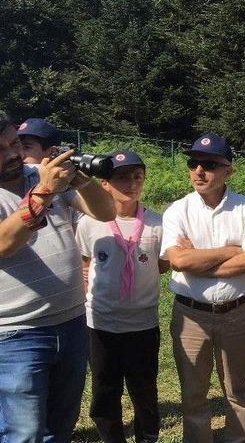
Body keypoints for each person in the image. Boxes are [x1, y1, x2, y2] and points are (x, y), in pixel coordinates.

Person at [0, 111, 116, 441]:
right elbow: (5, 243)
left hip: (71, 323)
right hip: (17, 333)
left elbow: (106, 212)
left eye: (15, 143)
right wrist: (45, 191)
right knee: (24, 433)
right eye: (1, 149)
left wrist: (83, 181)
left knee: (60, 426)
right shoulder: (44, 183)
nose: (12, 154)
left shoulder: (39, 173)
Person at [160, 133, 245, 443]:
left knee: (237, 388)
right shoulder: (178, 211)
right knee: (193, 392)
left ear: (228, 171)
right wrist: (231, 251)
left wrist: (199, 262)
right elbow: (178, 260)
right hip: (191, 316)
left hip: (236, 314)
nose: (199, 171)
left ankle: (238, 438)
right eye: (193, 163)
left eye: (209, 164)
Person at [75, 150, 169, 443]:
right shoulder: (90, 222)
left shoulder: (158, 223)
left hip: (142, 323)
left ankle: (148, 435)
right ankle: (112, 437)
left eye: (136, 177)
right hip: (101, 323)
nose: (130, 183)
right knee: (105, 389)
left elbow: (163, 264)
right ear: (104, 184)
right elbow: (85, 261)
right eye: (120, 178)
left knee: (144, 388)